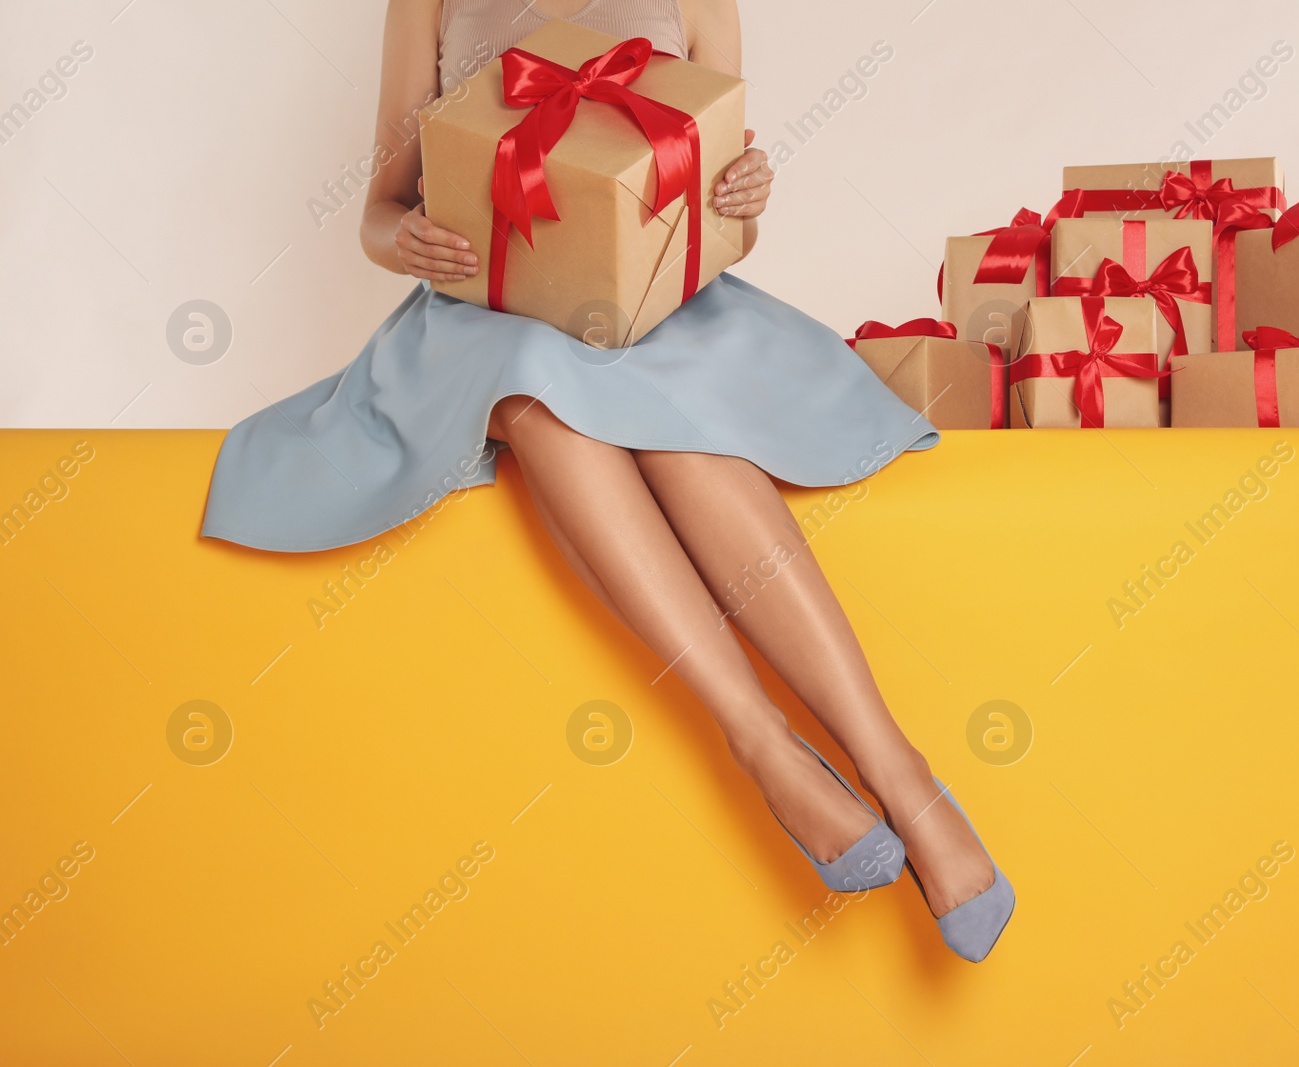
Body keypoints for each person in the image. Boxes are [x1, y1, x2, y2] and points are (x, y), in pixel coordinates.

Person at [201, 0, 1013, 961]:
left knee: (680, 425)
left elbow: (727, 235)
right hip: (490, 317)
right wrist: (403, 241)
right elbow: (381, 211)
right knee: (534, 391)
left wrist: (743, 200)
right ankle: (761, 741)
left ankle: (898, 769)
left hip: (658, 311)